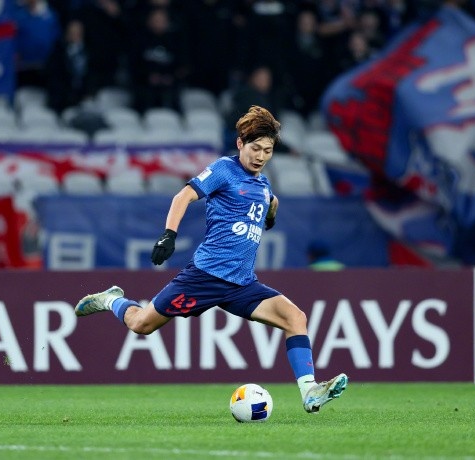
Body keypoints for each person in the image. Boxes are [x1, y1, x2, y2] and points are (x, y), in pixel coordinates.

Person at [74, 105, 348, 414]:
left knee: (295, 318)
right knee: (141, 325)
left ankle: (310, 391)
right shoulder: (223, 169)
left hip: (242, 284)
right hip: (205, 277)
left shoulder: (263, 184)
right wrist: (169, 234)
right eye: (255, 148)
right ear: (240, 143)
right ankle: (111, 299)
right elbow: (183, 196)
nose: (260, 156)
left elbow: (271, 201)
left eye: (267, 151)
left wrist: (270, 214)